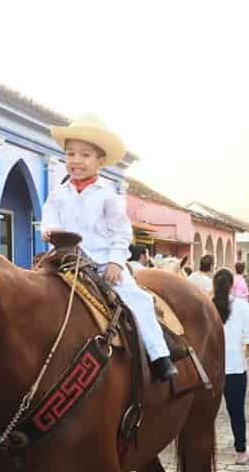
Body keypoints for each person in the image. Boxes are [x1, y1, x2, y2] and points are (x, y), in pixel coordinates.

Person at [44, 115, 176, 382]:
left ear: (100, 161)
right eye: (70, 154)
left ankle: (160, 356)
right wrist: (48, 231)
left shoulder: (108, 196)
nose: (76, 160)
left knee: (137, 299)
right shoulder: (58, 195)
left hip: (103, 263)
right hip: (66, 260)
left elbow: (121, 232)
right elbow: (49, 220)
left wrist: (116, 262)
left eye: (85, 155)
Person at [212, 268, 249, 465]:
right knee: (236, 412)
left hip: (209, 369)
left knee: (206, 414)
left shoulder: (206, 304)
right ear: (232, 285)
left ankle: (205, 450)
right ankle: (241, 452)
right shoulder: (242, 307)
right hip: (234, 369)